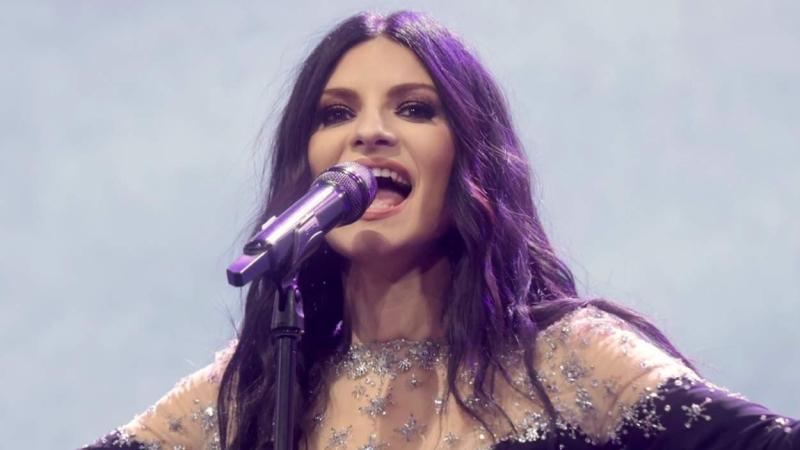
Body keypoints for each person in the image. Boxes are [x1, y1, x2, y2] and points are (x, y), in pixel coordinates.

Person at [84, 10, 799, 450]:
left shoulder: (567, 359)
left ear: (470, 160)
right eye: (335, 114)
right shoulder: (253, 390)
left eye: (414, 109)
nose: (368, 133)